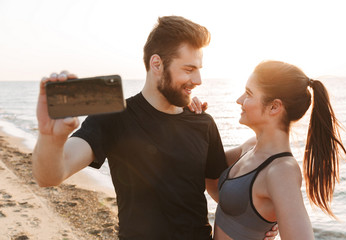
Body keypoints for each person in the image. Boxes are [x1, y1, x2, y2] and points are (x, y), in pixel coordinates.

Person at [32, 16, 278, 240]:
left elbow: (221, 194)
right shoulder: (114, 117)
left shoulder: (202, 122)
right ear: (157, 64)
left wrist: (256, 226)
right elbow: (50, 175)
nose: (198, 80)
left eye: (199, 69)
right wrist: (50, 136)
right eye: (189, 69)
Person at [203, 60, 346, 240]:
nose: (239, 100)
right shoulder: (250, 146)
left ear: (274, 107)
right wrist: (193, 116)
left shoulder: (282, 171)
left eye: (249, 93)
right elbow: (207, 170)